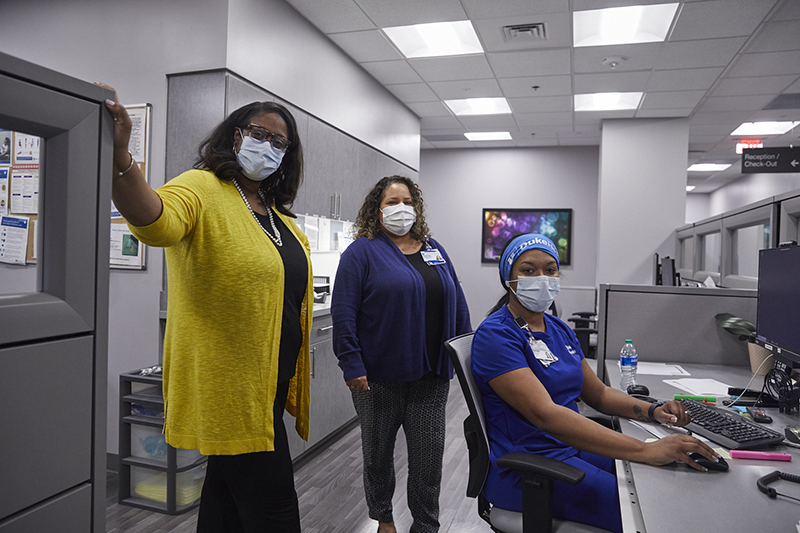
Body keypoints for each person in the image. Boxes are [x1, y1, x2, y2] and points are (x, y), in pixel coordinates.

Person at [100, 84, 311, 532]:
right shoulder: (202, 187)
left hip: (268, 388)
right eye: (260, 133)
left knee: (224, 504)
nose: (269, 146)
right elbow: (155, 221)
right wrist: (121, 158)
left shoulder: (278, 216)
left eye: (280, 142)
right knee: (275, 511)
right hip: (232, 393)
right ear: (236, 135)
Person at [471, 233, 719, 533]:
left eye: (550, 270)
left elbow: (598, 394)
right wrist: (645, 450)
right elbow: (544, 414)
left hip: (569, 448)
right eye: (528, 270)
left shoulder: (559, 329)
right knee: (651, 511)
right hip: (530, 467)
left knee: (665, 484)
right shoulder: (497, 335)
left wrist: (653, 410)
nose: (542, 277)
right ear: (508, 279)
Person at [331, 176, 471, 533]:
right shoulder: (361, 252)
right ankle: (384, 519)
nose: (401, 208)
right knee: (378, 454)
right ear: (376, 210)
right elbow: (344, 312)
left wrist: (465, 355)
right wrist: (351, 362)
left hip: (431, 375)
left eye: (407, 201)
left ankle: (426, 525)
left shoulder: (433, 248)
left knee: (428, 460)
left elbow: (457, 298)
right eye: (392, 201)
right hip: (378, 376)